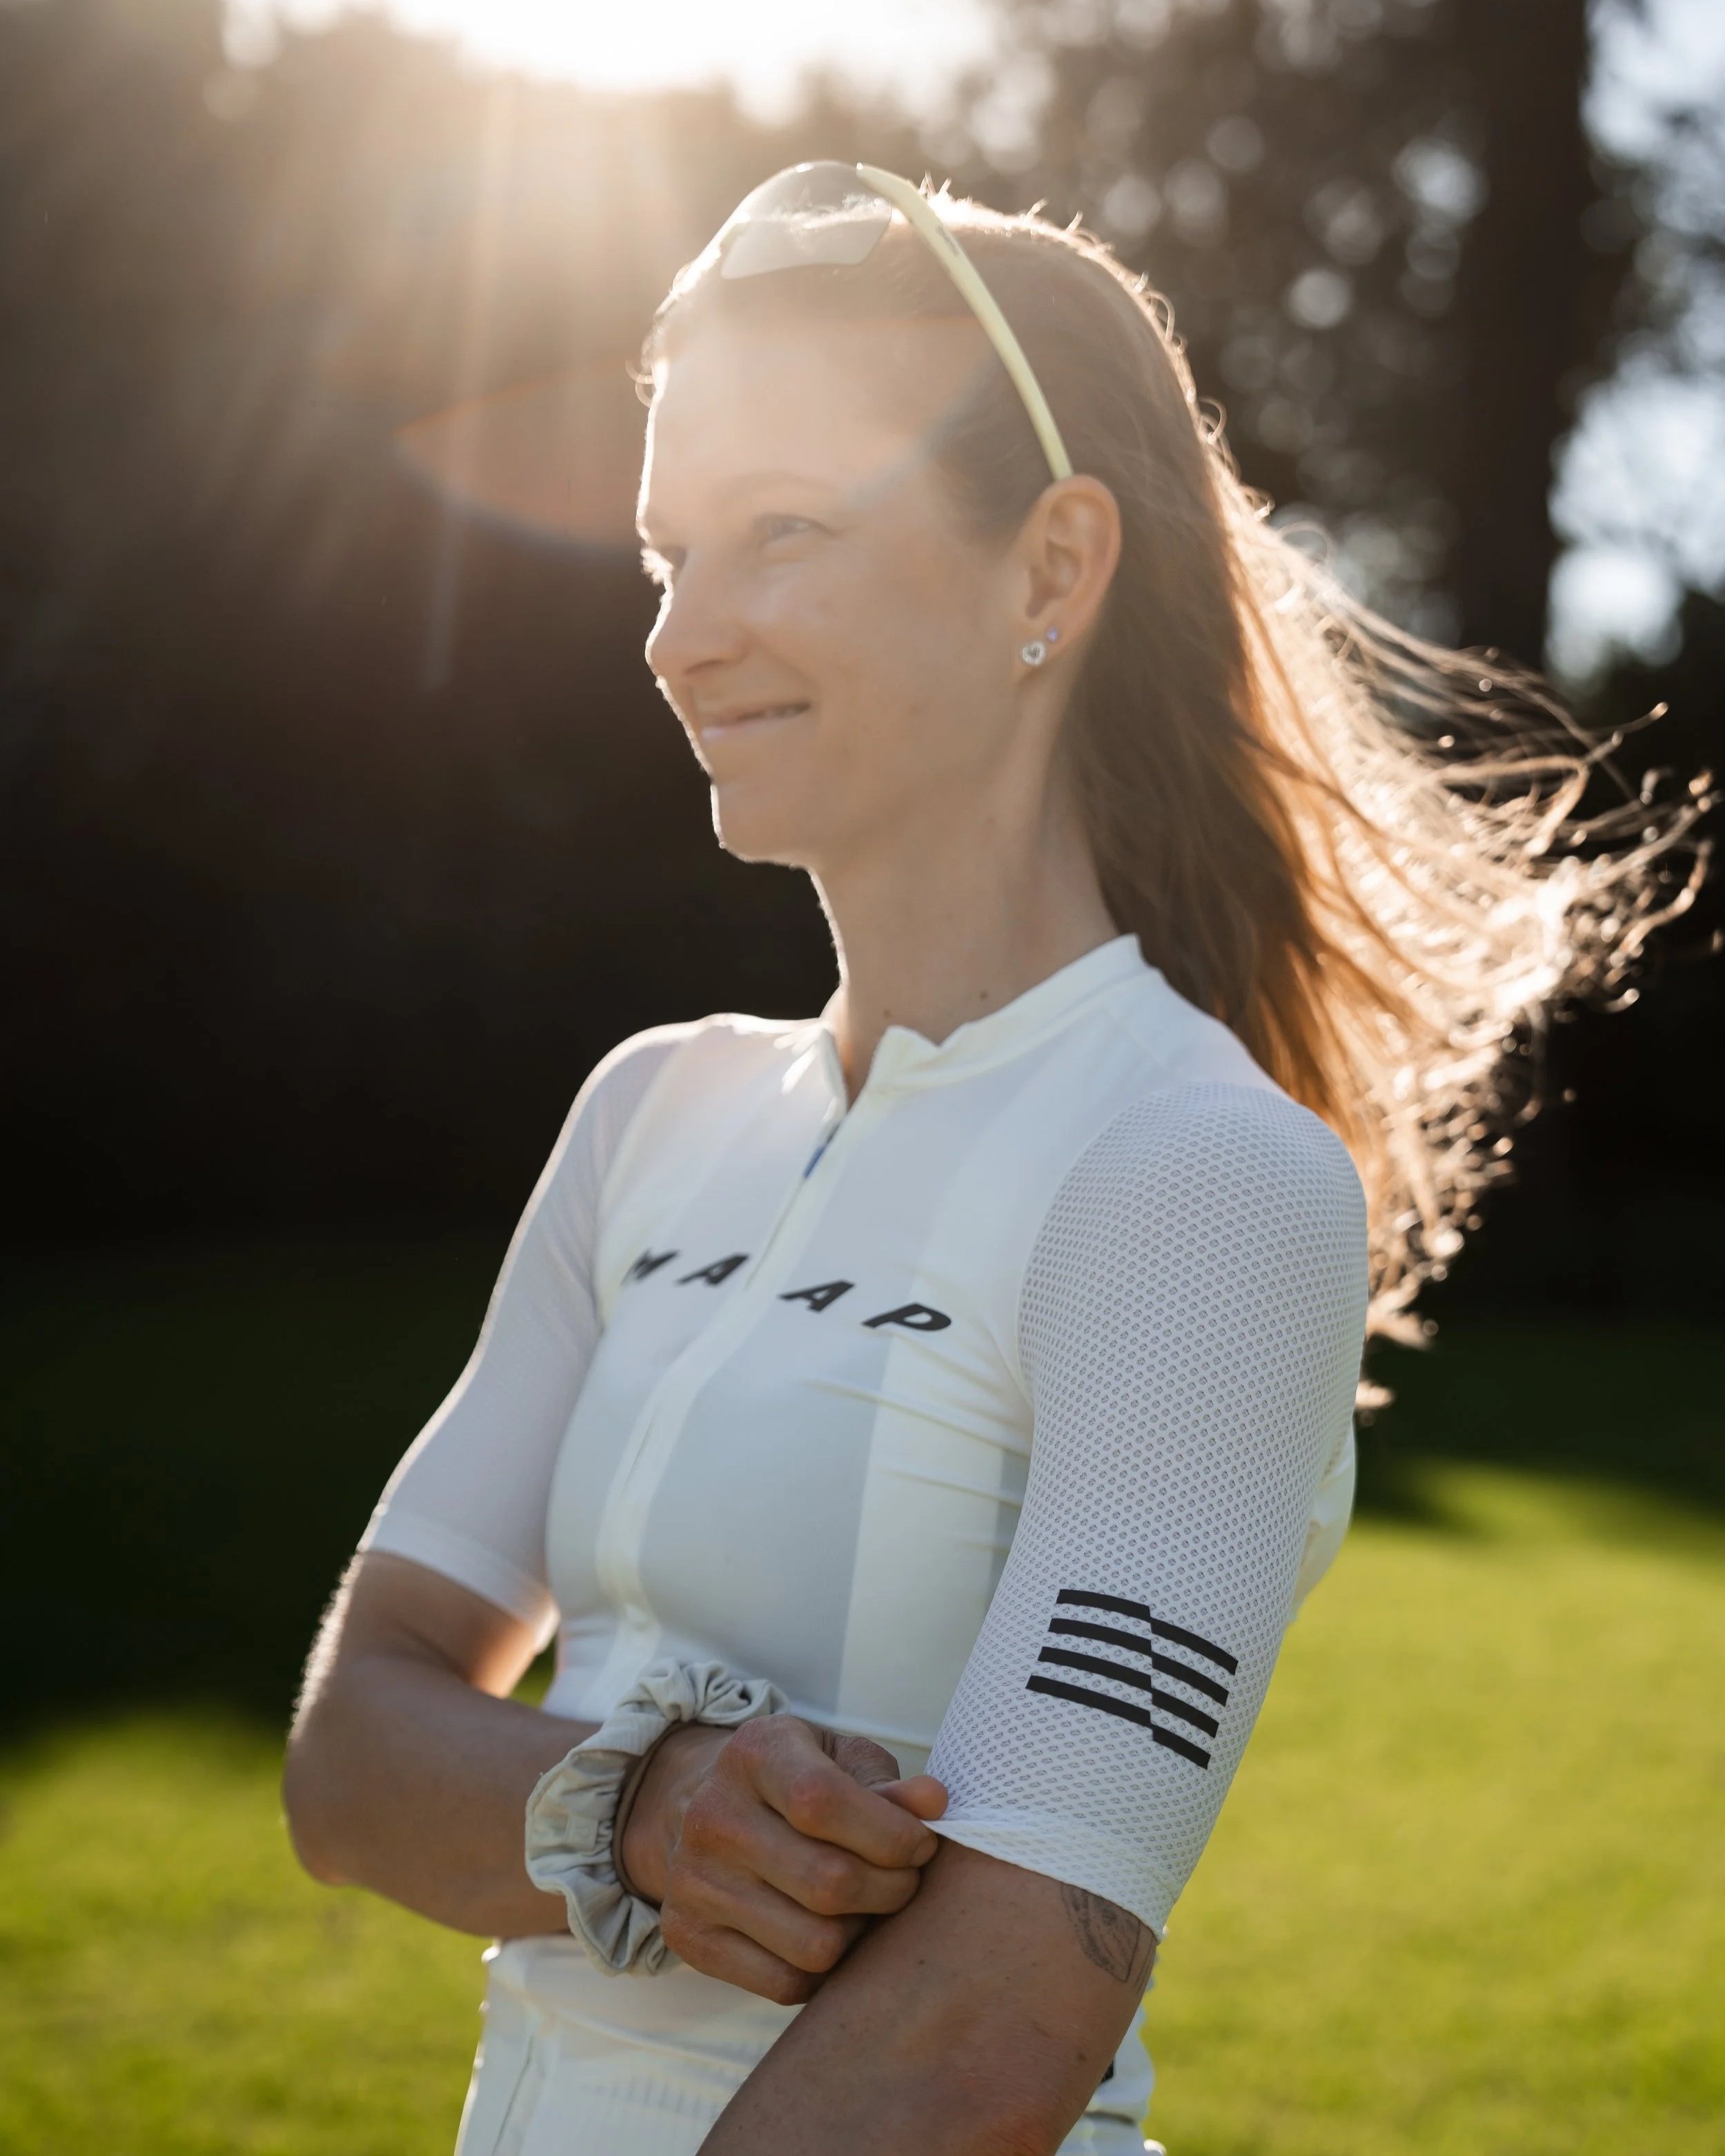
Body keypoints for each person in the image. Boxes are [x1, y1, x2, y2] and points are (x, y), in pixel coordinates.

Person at [281, 165, 1705, 2156]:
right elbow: (353, 1747)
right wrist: (630, 1803)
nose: (681, 639)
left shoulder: (1198, 1179)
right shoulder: (648, 1111)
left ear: (1049, 568)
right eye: (664, 554)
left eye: (780, 532)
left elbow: (998, 2021)